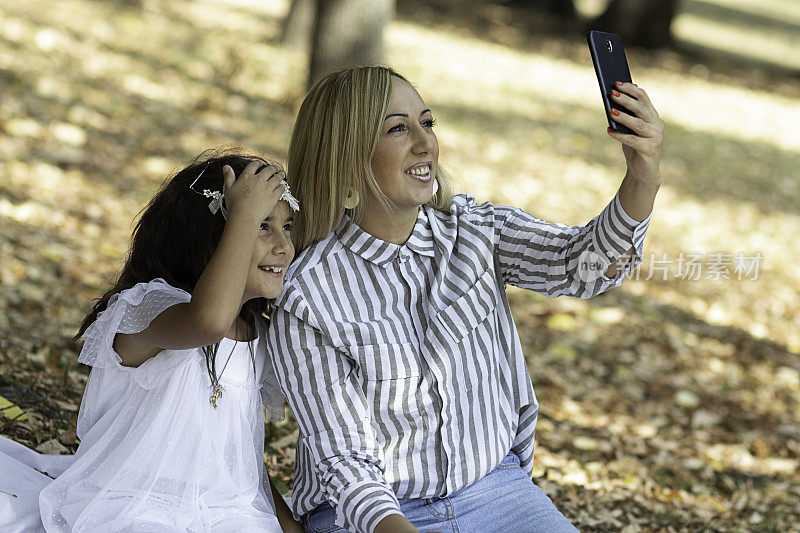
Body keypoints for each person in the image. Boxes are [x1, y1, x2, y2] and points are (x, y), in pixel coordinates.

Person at [267, 66, 664, 533]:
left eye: (427, 122)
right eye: (397, 128)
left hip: (496, 492)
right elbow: (346, 463)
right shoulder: (308, 293)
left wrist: (643, 176)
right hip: (371, 516)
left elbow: (581, 265)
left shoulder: (473, 230)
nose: (425, 143)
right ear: (346, 154)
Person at [0, 150, 304, 532]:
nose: (283, 245)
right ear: (212, 237)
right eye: (262, 225)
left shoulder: (254, 335)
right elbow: (207, 321)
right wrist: (243, 215)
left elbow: (234, 455)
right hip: (135, 507)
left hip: (224, 514)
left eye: (288, 226)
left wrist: (287, 523)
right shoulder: (148, 309)